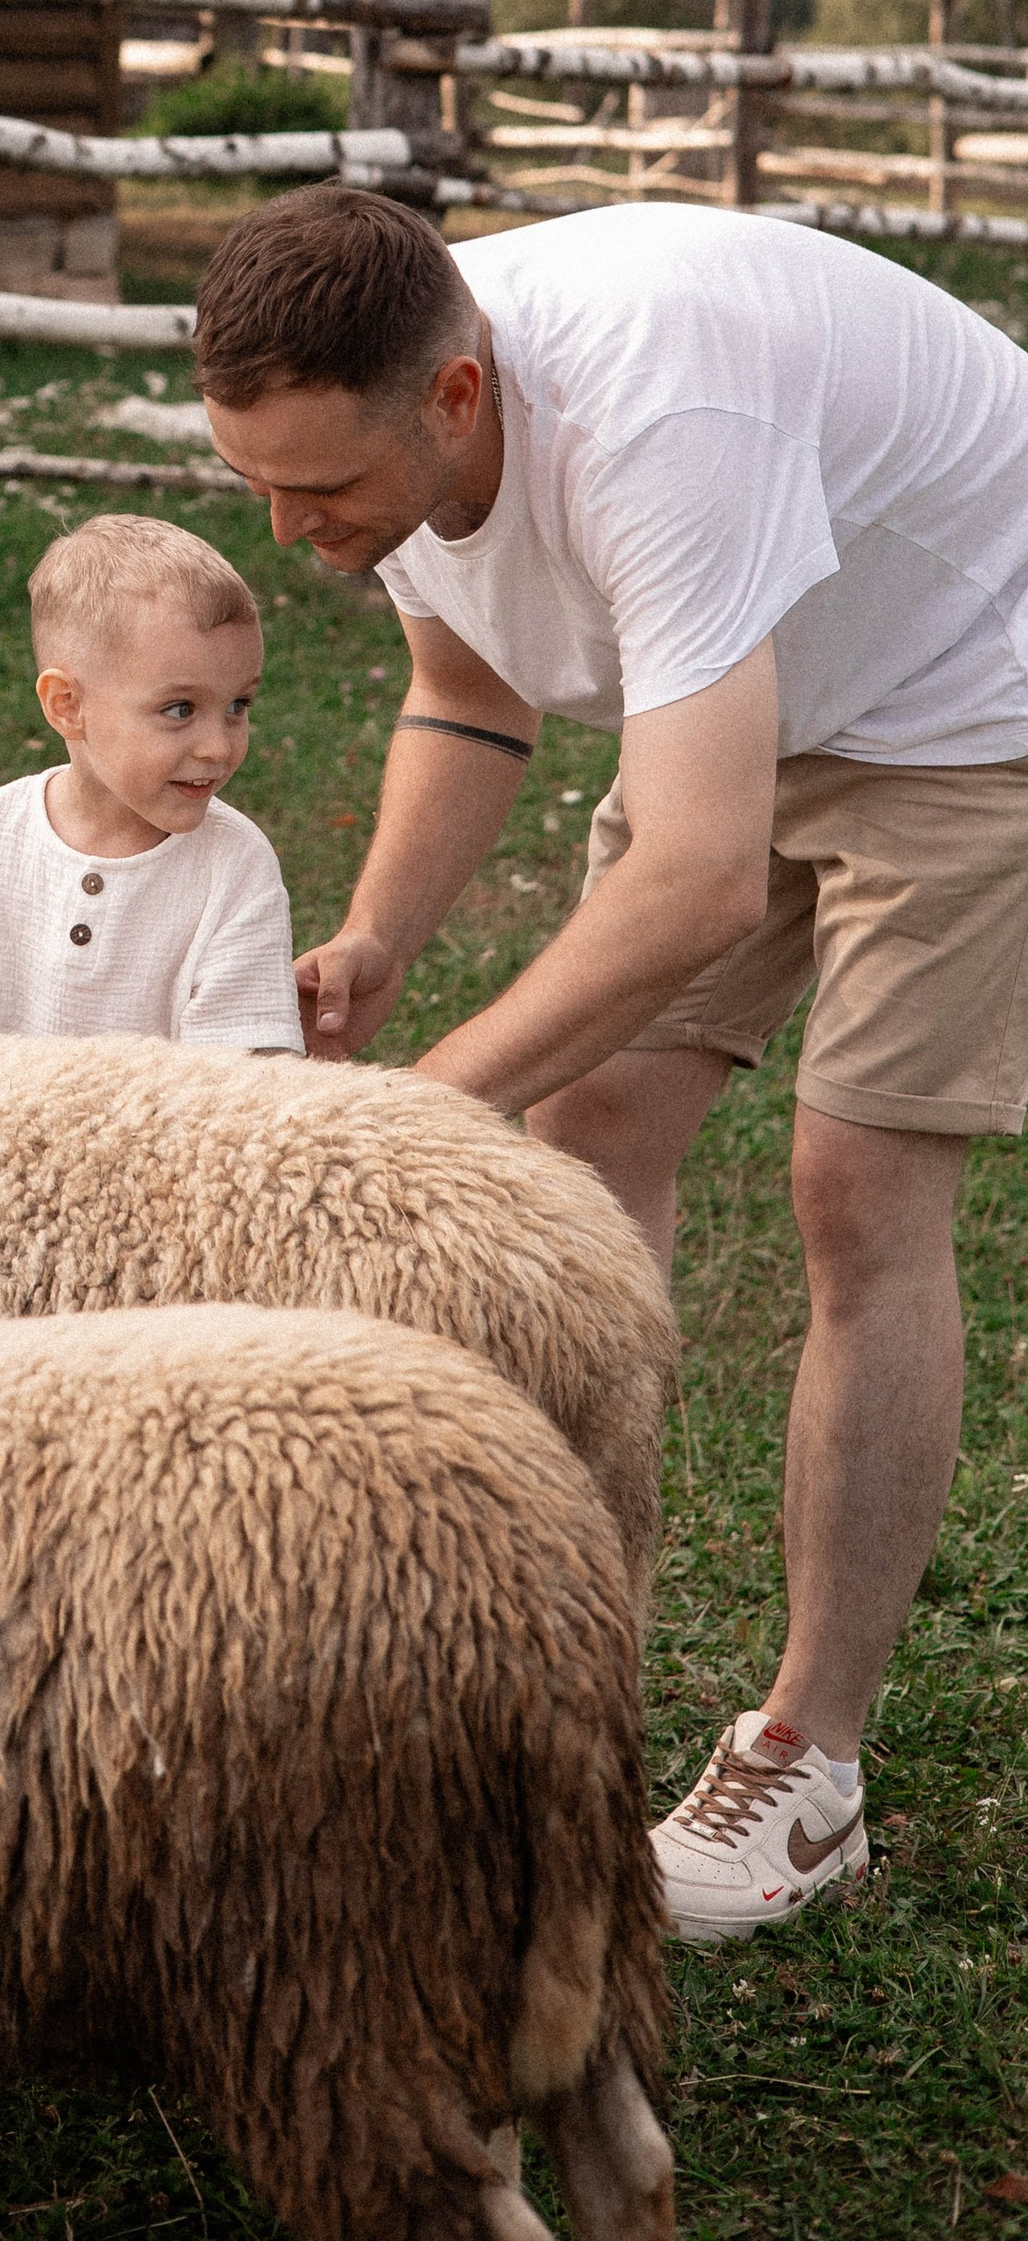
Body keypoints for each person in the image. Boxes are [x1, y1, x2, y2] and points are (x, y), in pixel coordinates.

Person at [192, 183, 1028, 1944]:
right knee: (590, 1134)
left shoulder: (660, 418)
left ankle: (811, 1761)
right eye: (252, 482)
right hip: (761, 681)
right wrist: (377, 947)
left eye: (320, 490)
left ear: (457, 402)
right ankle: (548, 1667)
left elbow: (699, 873)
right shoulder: (393, 404)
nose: (289, 531)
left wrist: (426, 1103)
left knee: (859, 1187)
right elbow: (474, 691)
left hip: (978, 693)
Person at [0, 512, 305, 1053]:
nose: (218, 746)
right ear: (68, 706)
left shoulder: (235, 865)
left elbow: (243, 1077)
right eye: (180, 709)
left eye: (238, 705)